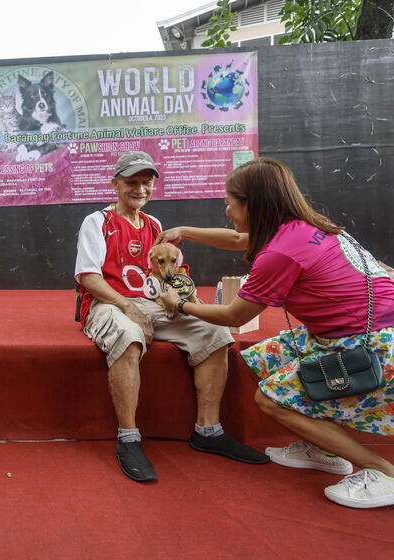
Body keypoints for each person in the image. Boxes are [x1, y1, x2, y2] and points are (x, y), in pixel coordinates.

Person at [157, 157, 394, 508]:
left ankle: (383, 471)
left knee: (269, 400)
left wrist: (180, 304)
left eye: (229, 203)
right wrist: (185, 232)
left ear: (253, 205)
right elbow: (240, 238)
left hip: (367, 343)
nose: (227, 211)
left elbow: (234, 314)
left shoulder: (280, 253)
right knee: (265, 358)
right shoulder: (305, 226)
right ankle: (323, 448)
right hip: (343, 331)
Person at [75, 150, 268, 483]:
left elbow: (166, 275)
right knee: (128, 334)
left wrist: (182, 296)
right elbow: (89, 278)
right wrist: (129, 307)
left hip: (154, 302)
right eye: (131, 182)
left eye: (146, 183)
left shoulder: (155, 225)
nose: (140, 189)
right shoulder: (98, 222)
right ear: (115, 184)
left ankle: (207, 430)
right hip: (111, 303)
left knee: (215, 332)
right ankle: (128, 438)